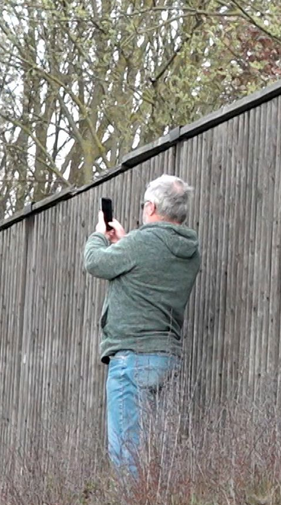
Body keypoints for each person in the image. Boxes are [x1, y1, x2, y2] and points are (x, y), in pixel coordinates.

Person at [84, 174, 202, 476]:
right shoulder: (190, 251)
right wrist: (124, 242)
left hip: (131, 359)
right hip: (168, 360)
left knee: (127, 456)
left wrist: (100, 235)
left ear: (150, 207)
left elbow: (95, 262)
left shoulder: (141, 242)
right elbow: (150, 267)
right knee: (158, 456)